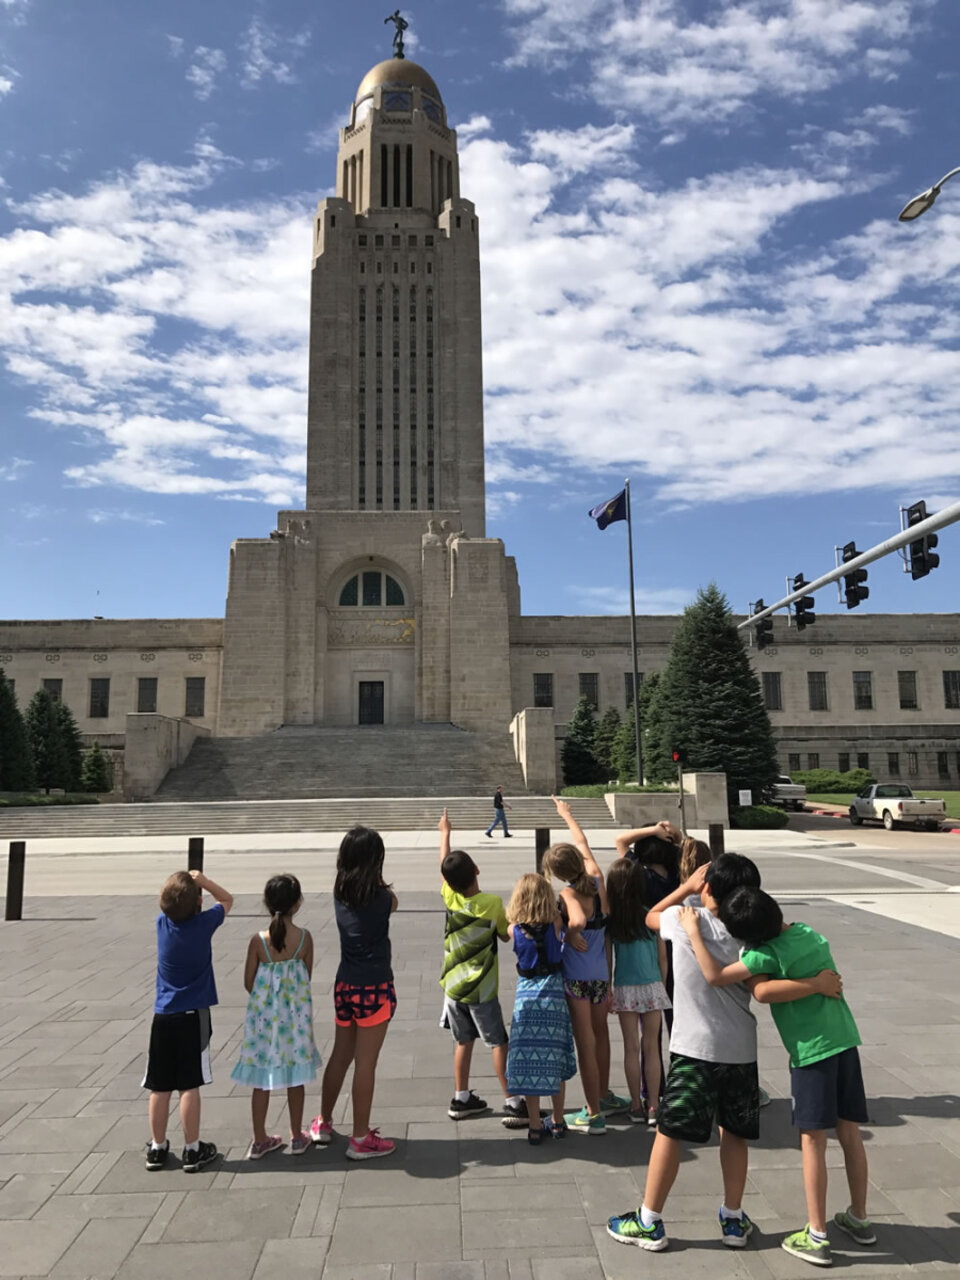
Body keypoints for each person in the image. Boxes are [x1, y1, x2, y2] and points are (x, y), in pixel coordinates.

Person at [681, 885, 866, 1268]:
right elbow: (771, 986)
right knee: (849, 1132)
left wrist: (694, 930)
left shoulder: (764, 954)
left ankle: (816, 1236)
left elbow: (719, 977)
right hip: (845, 1040)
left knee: (812, 1140)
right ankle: (859, 1217)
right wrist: (816, 983)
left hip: (812, 1051)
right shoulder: (810, 933)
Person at [607, 855, 761, 1251]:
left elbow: (650, 917)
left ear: (707, 888)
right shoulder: (751, 934)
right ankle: (732, 1218)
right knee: (735, 1132)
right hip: (740, 1049)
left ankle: (649, 1220)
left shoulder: (686, 919)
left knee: (670, 1133)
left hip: (694, 1049)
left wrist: (686, 887)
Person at [309, 827, 397, 1160]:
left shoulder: (339, 891)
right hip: (374, 986)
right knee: (366, 1063)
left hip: (345, 984)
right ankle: (361, 1137)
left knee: (341, 1055)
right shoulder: (383, 898)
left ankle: (323, 1122)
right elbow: (393, 901)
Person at [541, 795, 627, 1134]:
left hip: (576, 977)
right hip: (601, 976)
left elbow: (576, 919)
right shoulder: (595, 878)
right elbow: (583, 842)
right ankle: (603, 1094)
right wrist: (567, 815)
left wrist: (571, 933)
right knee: (601, 1036)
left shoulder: (568, 894)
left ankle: (592, 1113)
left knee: (585, 1042)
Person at [142, 868, 233, 1173]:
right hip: (194, 1015)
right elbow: (227, 900)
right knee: (189, 1085)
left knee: (159, 1085)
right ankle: (192, 1149)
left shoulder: (161, 924)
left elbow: (172, 906)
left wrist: (189, 892)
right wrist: (205, 881)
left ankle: (157, 1147)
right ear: (197, 904)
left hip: (163, 1014)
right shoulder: (204, 924)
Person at [231, 874, 322, 1158]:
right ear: (297, 904)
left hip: (263, 1021)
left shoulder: (258, 941)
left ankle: (259, 1139)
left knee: (261, 1078)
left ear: (267, 903)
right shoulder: (304, 939)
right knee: (295, 1076)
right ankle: (297, 1135)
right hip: (294, 1022)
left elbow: (248, 981)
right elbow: (305, 976)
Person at [437, 809, 517, 1123]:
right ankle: (513, 1099)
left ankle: (461, 1097)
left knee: (463, 1040)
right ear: (478, 870)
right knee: (498, 1041)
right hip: (482, 989)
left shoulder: (449, 898)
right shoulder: (493, 904)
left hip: (453, 987)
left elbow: (445, 872)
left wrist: (445, 834)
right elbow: (505, 936)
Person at [504, 872, 578, 1145]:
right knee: (555, 1061)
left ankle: (535, 1125)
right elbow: (564, 919)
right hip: (554, 997)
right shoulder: (556, 922)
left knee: (528, 1064)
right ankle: (557, 1121)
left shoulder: (514, 929)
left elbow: (506, 930)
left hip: (526, 999)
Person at [606, 857, 670, 1126]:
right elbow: (662, 956)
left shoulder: (613, 922)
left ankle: (635, 1104)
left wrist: (609, 988)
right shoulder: (649, 915)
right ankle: (654, 1105)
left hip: (624, 987)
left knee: (631, 1048)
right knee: (651, 1048)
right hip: (652, 984)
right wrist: (661, 983)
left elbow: (608, 959)